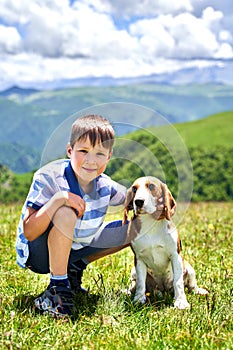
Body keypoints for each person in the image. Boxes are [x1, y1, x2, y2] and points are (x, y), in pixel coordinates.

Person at [16, 114, 164, 317]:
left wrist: (160, 205)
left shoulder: (105, 185)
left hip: (76, 248)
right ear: (70, 150)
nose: (91, 161)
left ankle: (73, 270)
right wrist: (59, 199)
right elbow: (30, 232)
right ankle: (56, 289)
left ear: (109, 156)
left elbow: (133, 197)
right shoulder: (48, 177)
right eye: (83, 151)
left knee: (136, 227)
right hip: (39, 254)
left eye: (99, 154)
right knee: (66, 213)